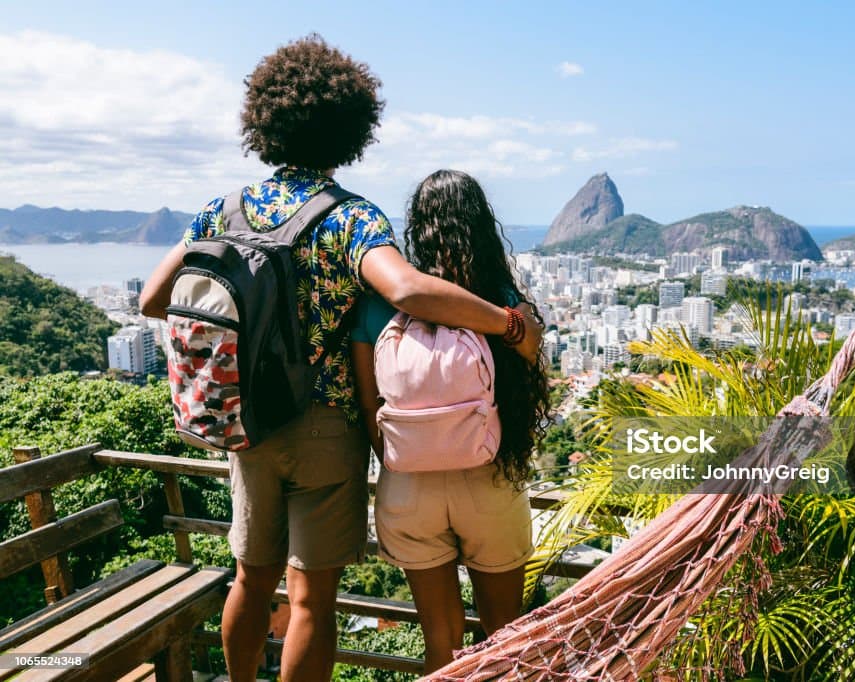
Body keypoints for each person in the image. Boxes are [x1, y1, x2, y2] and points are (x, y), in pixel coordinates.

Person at [138, 37, 541, 682]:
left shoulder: (223, 210)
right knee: (309, 599)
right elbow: (405, 290)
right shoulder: (350, 217)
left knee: (250, 579)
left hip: (243, 420)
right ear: (350, 130)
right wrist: (508, 322)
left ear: (265, 124)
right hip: (324, 424)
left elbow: (155, 299)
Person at [351, 169, 550, 672]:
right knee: (503, 634)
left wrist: (400, 459)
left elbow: (369, 406)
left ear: (417, 228)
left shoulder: (376, 305)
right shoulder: (501, 302)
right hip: (489, 476)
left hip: (408, 483)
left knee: (440, 640)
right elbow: (528, 366)